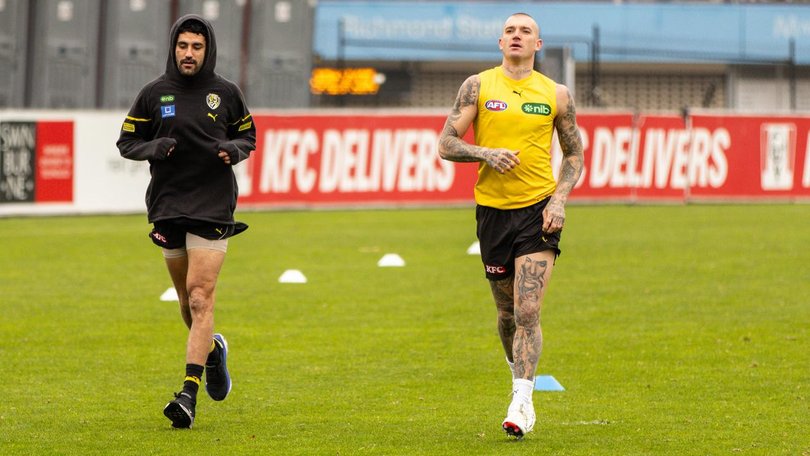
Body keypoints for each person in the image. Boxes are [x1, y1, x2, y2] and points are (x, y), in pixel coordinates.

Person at [437, 12, 584, 439]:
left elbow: (574, 155)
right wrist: (485, 153)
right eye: (510, 31)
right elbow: (446, 142)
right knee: (505, 314)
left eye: (526, 32)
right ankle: (516, 370)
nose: (517, 36)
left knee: (527, 310)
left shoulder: (556, 94)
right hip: (492, 214)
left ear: (538, 45)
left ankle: (522, 399)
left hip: (539, 211)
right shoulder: (478, 86)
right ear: (500, 42)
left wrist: (559, 199)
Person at [116, 14, 256, 429]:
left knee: (200, 297)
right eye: (182, 46)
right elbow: (127, 141)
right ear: (173, 49)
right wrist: (153, 147)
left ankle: (188, 394)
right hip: (169, 204)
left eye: (196, 47)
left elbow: (249, 135)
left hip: (213, 203)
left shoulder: (226, 93)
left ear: (207, 49)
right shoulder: (153, 93)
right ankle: (211, 350)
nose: (189, 54)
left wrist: (234, 149)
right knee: (186, 304)